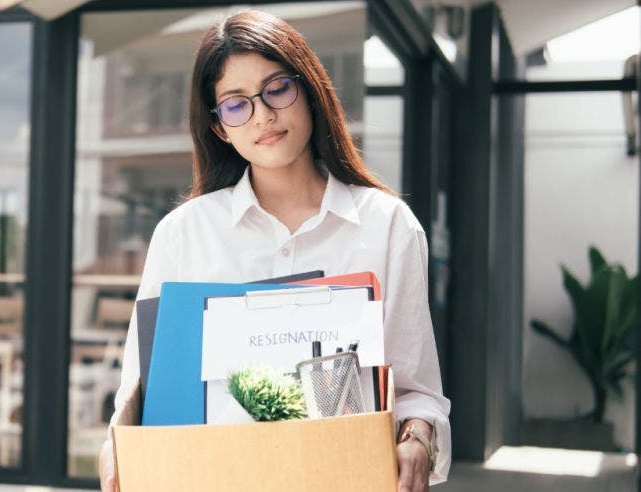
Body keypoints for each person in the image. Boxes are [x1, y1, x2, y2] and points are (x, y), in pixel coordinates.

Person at [98, 9, 450, 492]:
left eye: (276, 89)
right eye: (235, 104)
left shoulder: (387, 225)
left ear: (309, 90)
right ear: (220, 126)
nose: (263, 114)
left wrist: (417, 436)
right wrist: (118, 447)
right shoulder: (182, 233)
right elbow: (140, 391)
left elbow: (417, 391)